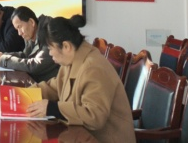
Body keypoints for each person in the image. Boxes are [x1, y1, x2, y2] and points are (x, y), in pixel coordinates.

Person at [27, 15, 134, 143]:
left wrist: (52, 108)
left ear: (66, 46)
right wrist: (21, 94)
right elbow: (54, 87)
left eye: (50, 48)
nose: (49, 53)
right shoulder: (72, 60)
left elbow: (94, 116)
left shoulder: (93, 68)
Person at [0, 6, 59, 82]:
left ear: (32, 22)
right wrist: (2, 56)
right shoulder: (32, 33)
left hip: (50, 85)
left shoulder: (49, 33)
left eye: (20, 27)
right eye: (17, 29)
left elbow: (35, 65)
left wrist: (4, 60)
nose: (19, 33)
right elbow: (25, 55)